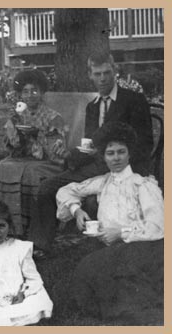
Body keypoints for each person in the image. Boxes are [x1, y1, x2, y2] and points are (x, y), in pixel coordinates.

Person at [29, 51, 154, 256]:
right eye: (97, 74)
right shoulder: (93, 107)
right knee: (46, 187)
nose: (102, 78)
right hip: (94, 169)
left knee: (91, 199)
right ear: (90, 75)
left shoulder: (133, 100)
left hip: (122, 168)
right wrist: (68, 154)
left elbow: (145, 144)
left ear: (115, 71)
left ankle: (99, 248)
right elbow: (88, 147)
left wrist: (116, 159)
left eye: (106, 72)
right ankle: (40, 245)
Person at [56, 122, 163, 324]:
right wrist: (76, 210)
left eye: (121, 152)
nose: (116, 158)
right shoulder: (104, 181)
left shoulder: (143, 184)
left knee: (97, 269)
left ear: (129, 154)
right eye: (110, 153)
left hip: (144, 245)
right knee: (91, 272)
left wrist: (121, 232)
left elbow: (158, 227)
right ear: (103, 157)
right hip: (111, 246)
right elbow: (66, 190)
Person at [0, 69, 68, 237]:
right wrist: (15, 133)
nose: (30, 95)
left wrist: (37, 136)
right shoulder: (18, 115)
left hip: (47, 162)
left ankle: (27, 228)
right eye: (25, 91)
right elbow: (13, 148)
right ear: (20, 94)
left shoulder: (54, 117)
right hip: (23, 158)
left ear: (41, 92)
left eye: (34, 91)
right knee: (1, 167)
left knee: (27, 173)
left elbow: (55, 152)